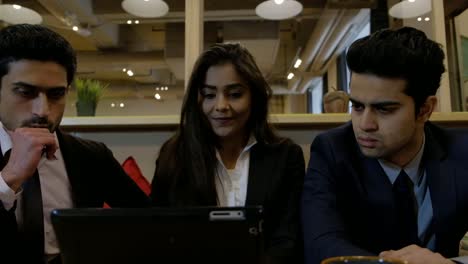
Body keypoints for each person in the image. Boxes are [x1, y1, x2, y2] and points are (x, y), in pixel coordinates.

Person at [302, 26, 468, 264]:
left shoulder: (462, 152)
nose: (365, 124)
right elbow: (322, 244)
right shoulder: (332, 151)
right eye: (357, 107)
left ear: (425, 109)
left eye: (384, 109)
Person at [0, 24, 150, 263]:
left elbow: (151, 224)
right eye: (25, 92)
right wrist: (9, 177)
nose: (43, 110)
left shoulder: (91, 157)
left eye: (56, 94)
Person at [151, 43, 305, 263]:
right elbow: (159, 236)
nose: (221, 105)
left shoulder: (286, 156)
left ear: (255, 97)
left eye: (234, 94)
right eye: (209, 94)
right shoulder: (175, 155)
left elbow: (287, 241)